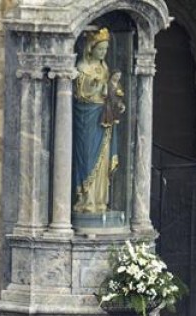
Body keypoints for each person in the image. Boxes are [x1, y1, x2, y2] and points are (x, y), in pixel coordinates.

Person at [73, 27, 124, 213]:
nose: (103, 53)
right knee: (87, 157)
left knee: (102, 160)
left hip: (104, 118)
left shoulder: (105, 68)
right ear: (90, 48)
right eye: (100, 49)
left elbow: (110, 91)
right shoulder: (82, 68)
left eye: (105, 49)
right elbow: (79, 95)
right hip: (88, 119)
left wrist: (116, 102)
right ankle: (86, 200)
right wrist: (96, 88)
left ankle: (100, 200)